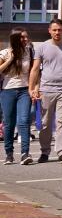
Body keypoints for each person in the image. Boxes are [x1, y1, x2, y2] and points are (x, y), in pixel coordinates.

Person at [28, 18, 62, 164]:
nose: (57, 32)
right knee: (45, 122)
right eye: (54, 30)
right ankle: (45, 151)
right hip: (46, 89)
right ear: (50, 31)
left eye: (60, 30)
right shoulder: (42, 47)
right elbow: (35, 69)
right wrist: (31, 88)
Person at [0, 28, 33, 165]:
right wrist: (11, 59)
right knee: (9, 123)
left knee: (24, 121)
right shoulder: (5, 53)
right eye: (22, 37)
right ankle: (9, 154)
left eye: (26, 37)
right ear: (15, 38)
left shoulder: (30, 51)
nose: (26, 39)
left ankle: (25, 153)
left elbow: (33, 71)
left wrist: (34, 88)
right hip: (7, 91)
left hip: (24, 90)